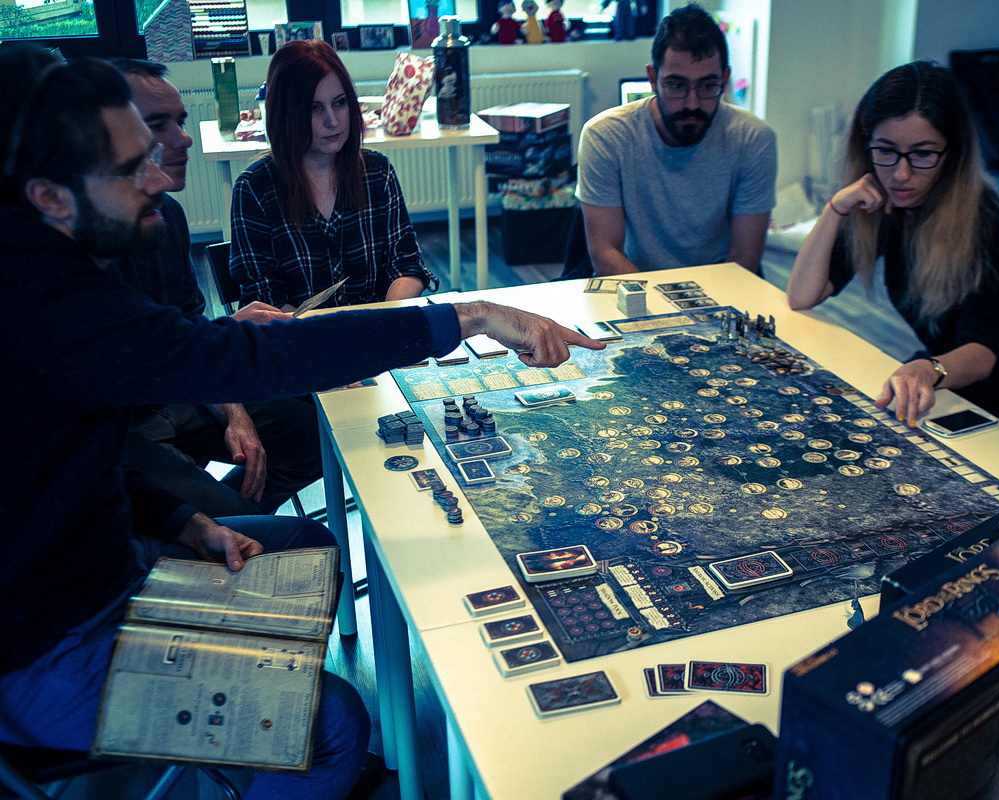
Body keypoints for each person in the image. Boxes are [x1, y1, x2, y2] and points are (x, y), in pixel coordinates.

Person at [0, 44, 601, 799]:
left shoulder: (47, 269)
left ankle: (249, 724)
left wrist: (186, 521)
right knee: (335, 724)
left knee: (309, 548)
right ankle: (264, 733)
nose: (157, 175)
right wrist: (470, 314)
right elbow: (248, 357)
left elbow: (86, 458)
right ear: (50, 197)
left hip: (111, 568)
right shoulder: (45, 305)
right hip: (46, 649)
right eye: (130, 167)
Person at [786, 60, 999, 423]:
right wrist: (835, 208)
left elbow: (982, 354)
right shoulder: (883, 200)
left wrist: (927, 368)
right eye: (885, 150)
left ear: (952, 153)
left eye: (923, 154)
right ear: (865, 145)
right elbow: (802, 296)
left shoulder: (985, 217)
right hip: (941, 387)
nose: (901, 174)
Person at [112, 58, 323, 516]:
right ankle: (224, 524)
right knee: (250, 531)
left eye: (181, 121)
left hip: (179, 396)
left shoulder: (168, 214)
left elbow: (189, 327)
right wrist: (219, 335)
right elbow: (134, 361)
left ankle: (235, 516)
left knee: (315, 436)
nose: (184, 138)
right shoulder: (74, 244)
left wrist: (236, 412)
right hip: (124, 426)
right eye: (158, 125)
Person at [231, 40, 435, 312]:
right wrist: (328, 332)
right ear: (286, 113)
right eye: (314, 108)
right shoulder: (255, 188)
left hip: (378, 326)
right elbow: (265, 296)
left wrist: (386, 320)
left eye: (339, 103)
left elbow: (406, 265)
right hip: (299, 333)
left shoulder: (377, 171)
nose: (333, 120)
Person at [575, 3, 776, 276]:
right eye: (677, 85)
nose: (692, 103)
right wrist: (657, 302)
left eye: (707, 86)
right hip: (634, 284)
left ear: (725, 79)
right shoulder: (607, 136)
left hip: (721, 284)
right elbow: (605, 253)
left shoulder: (753, 139)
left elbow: (744, 257)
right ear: (652, 78)